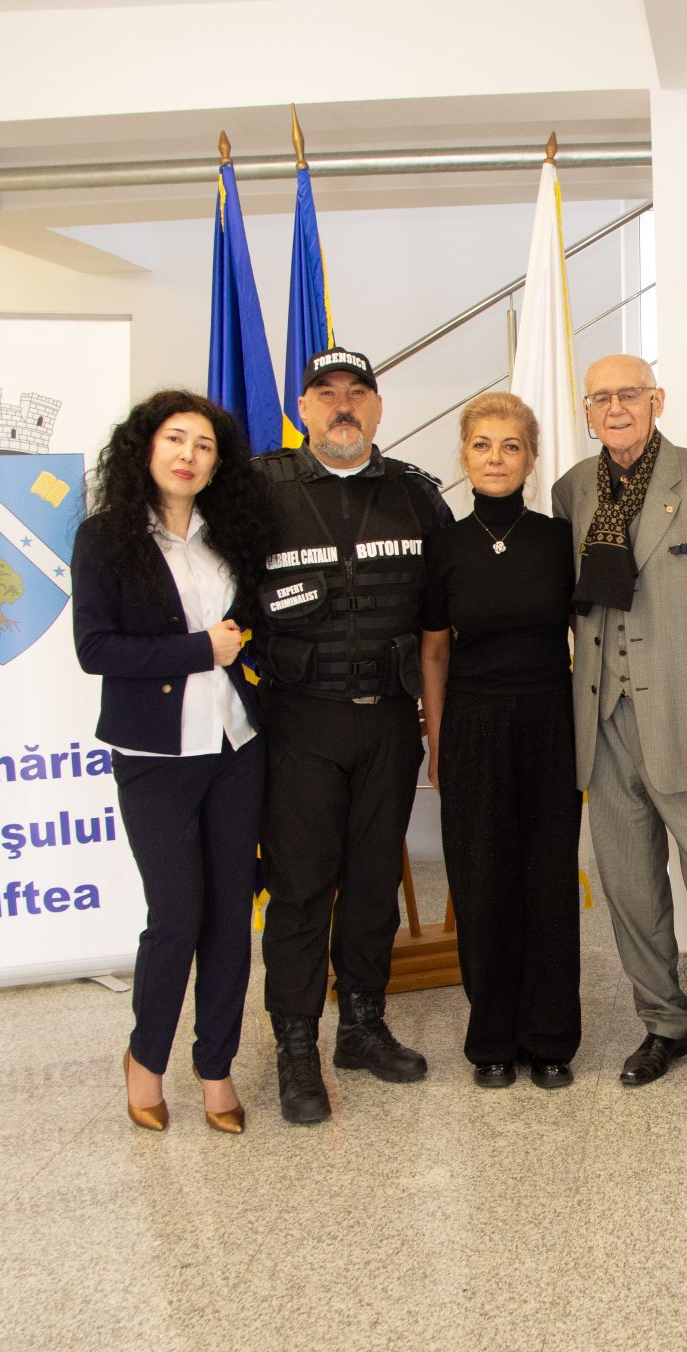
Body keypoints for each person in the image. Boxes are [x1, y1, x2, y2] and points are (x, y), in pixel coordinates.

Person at [551, 354, 687, 1111]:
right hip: (602, 722)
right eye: (600, 398)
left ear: (657, 401)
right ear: (587, 412)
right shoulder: (572, 490)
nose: (615, 408)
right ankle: (663, 1022)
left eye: (629, 394)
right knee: (629, 888)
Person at [251, 347, 452, 1125]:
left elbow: (443, 620)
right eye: (326, 392)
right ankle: (296, 1044)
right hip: (301, 722)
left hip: (388, 721)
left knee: (372, 881)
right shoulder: (260, 494)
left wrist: (442, 727)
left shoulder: (416, 496)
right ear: (303, 408)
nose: (342, 404)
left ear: (377, 407)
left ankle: (362, 1025)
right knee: (301, 888)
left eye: (356, 392)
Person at [71, 390, 267, 1134]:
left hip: (236, 747)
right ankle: (145, 1059)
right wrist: (198, 650)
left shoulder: (230, 535)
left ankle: (216, 1067)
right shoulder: (105, 537)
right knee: (177, 916)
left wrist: (237, 645)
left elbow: (250, 624)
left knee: (230, 918)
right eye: (175, 439)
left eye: (204, 445)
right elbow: (96, 649)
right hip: (155, 755)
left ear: (218, 464)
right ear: (146, 449)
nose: (188, 455)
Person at [419, 393, 581, 1090]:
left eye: (511, 445)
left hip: (550, 720)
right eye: (482, 444)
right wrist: (437, 740)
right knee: (482, 882)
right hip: (472, 724)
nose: (495, 457)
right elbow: (433, 653)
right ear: (463, 456)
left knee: (548, 880)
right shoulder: (444, 545)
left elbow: (585, 638)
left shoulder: (557, 540)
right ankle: (491, 1038)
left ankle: (550, 1038)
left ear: (531, 458)